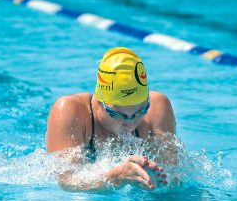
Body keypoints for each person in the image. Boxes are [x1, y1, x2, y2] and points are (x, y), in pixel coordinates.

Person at [46, 47, 176, 191]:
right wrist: (116, 177)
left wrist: (158, 179)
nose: (131, 125)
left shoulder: (158, 108)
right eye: (117, 115)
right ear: (99, 101)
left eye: (141, 111)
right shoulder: (71, 111)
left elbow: (175, 176)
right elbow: (67, 182)